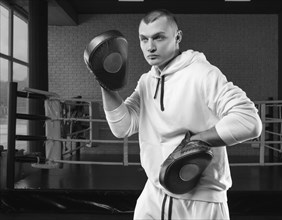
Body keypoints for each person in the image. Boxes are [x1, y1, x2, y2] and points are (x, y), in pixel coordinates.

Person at [101, 9, 262, 220]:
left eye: (158, 37)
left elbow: (250, 121)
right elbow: (122, 127)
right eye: (144, 39)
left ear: (177, 37)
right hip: (154, 195)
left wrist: (197, 141)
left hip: (201, 201)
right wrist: (106, 83)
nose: (150, 47)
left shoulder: (202, 74)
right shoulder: (147, 81)